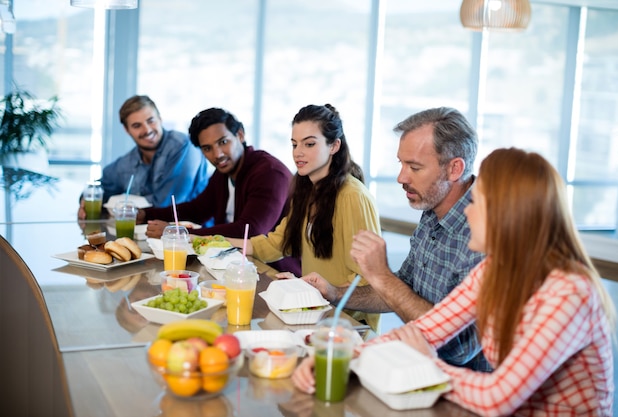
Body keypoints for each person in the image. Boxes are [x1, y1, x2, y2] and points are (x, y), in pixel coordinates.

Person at [293, 147, 616, 416]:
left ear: (508, 215)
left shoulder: (568, 292)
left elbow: (497, 397)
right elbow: (424, 330)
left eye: (478, 202)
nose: (468, 213)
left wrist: (430, 368)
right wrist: (340, 356)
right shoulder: (494, 270)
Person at [302, 107, 488, 370]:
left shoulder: (485, 233)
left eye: (414, 167)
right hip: (417, 368)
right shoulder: (433, 207)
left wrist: (381, 275)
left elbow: (457, 348)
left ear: (454, 169)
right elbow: (403, 290)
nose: (402, 177)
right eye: (401, 163)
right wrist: (333, 292)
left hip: (460, 393)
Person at [228, 104, 382, 328]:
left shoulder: (353, 197)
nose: (297, 152)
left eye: (309, 144)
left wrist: (310, 292)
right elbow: (276, 243)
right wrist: (218, 243)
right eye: (294, 144)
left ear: (334, 146)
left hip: (347, 324)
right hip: (314, 313)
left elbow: (369, 279)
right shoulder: (307, 189)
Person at [138, 107, 299, 273]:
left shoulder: (269, 173)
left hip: (275, 273)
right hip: (235, 263)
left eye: (223, 142)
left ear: (240, 135)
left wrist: (182, 234)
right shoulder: (224, 171)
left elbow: (249, 231)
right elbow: (198, 209)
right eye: (207, 148)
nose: (218, 154)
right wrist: (147, 215)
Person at [77, 95, 209, 218]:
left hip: (195, 235)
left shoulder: (183, 146)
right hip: (146, 234)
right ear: (127, 130)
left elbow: (167, 203)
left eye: (151, 121)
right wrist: (85, 199)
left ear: (160, 119)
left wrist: (127, 207)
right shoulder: (128, 161)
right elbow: (99, 187)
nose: (147, 130)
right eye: (136, 126)